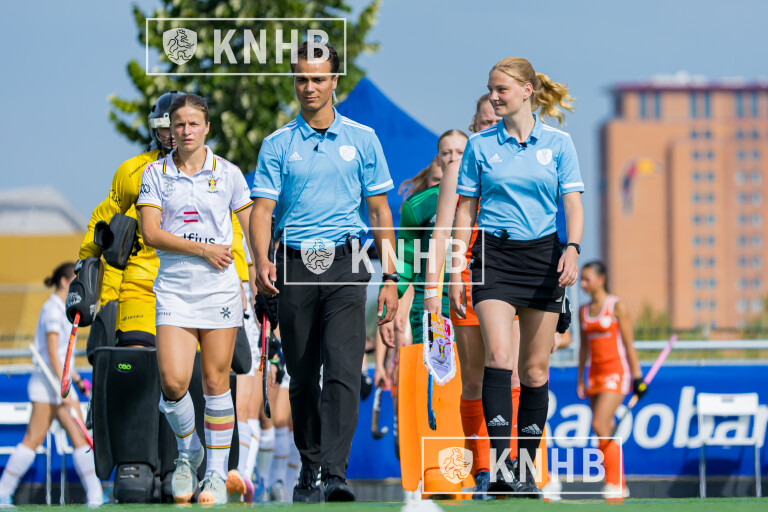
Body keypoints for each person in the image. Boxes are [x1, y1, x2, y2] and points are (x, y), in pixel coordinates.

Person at [249, 41, 398, 503]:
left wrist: (391, 277)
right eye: (301, 78)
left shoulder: (363, 139)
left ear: (335, 81)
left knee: (343, 368)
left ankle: (334, 473)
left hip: (349, 260)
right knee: (301, 374)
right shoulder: (277, 144)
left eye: (318, 78)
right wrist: (261, 260)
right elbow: (262, 210)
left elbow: (380, 212)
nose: (309, 87)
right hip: (293, 262)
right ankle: (310, 464)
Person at [452, 57, 584, 498]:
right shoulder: (479, 145)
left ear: (527, 91)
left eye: (501, 89)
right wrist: (456, 269)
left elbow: (573, 204)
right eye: (490, 89)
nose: (493, 97)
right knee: (499, 356)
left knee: (534, 369)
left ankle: (523, 471)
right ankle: (498, 468)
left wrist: (572, 248)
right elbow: (465, 210)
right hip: (493, 257)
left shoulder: (559, 144)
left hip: (543, 259)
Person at [138, 93, 253, 505]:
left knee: (216, 382)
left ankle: (217, 475)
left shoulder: (229, 173)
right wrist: (203, 249)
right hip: (174, 286)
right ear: (169, 129)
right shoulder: (155, 173)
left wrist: (259, 270)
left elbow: (251, 225)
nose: (185, 131)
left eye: (193, 124)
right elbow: (151, 232)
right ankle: (189, 454)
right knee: (172, 382)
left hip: (219, 287)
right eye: (179, 124)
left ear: (206, 128)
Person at [0, 263, 102, 506]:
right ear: (64, 282)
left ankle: (96, 496)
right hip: (48, 385)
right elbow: (54, 356)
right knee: (34, 439)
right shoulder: (52, 309)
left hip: (58, 385)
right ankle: (3, 493)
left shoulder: (64, 309)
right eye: (75, 280)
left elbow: (62, 357)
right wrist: (65, 387)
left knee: (80, 439)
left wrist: (76, 380)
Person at [577, 261, 642, 499]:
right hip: (594, 375)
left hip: (616, 373)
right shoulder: (583, 311)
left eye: (587, 279)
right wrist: (580, 378)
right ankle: (617, 483)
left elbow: (629, 344)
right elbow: (583, 348)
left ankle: (615, 483)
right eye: (582, 279)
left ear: (601, 279)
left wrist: (638, 377)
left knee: (599, 424)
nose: (583, 284)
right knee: (604, 430)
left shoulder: (616, 306)